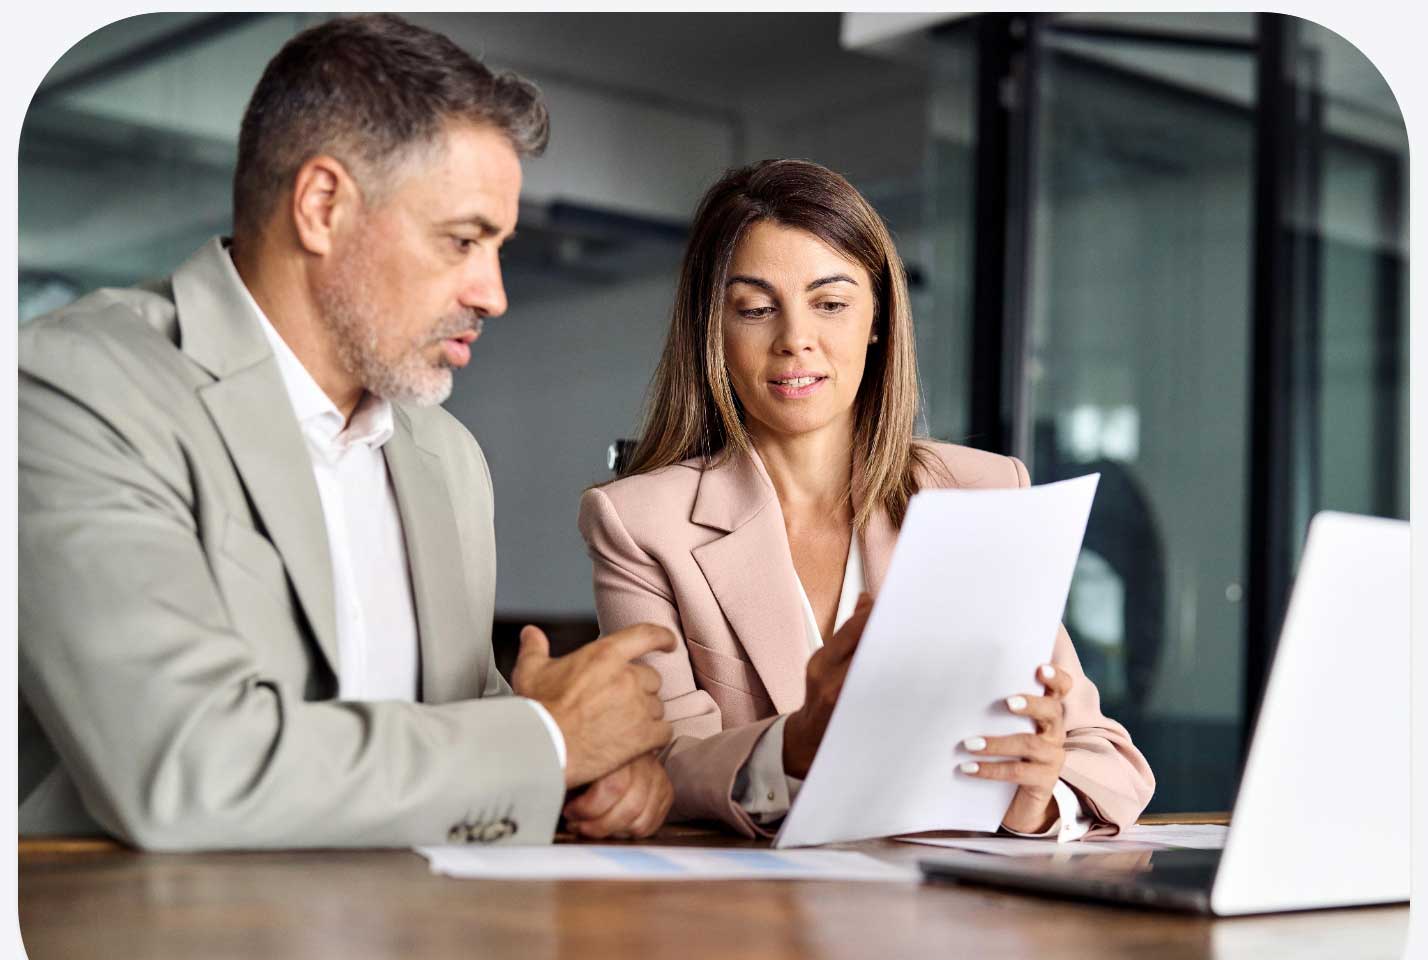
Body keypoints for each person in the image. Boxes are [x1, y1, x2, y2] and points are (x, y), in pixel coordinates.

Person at [18, 14, 677, 850]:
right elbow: (188, 767)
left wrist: (596, 770)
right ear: (323, 205)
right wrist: (547, 742)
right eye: (465, 240)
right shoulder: (72, 389)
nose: (493, 292)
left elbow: (460, 732)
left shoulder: (446, 457)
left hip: (421, 952)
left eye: (501, 247)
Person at [578, 159, 1155, 840]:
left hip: (949, 916)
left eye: (830, 303)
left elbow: (1110, 760)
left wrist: (1038, 795)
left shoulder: (980, 492)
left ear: (877, 319)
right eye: (757, 309)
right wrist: (789, 746)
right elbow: (659, 761)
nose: (796, 339)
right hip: (750, 923)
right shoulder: (641, 523)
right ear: (714, 331)